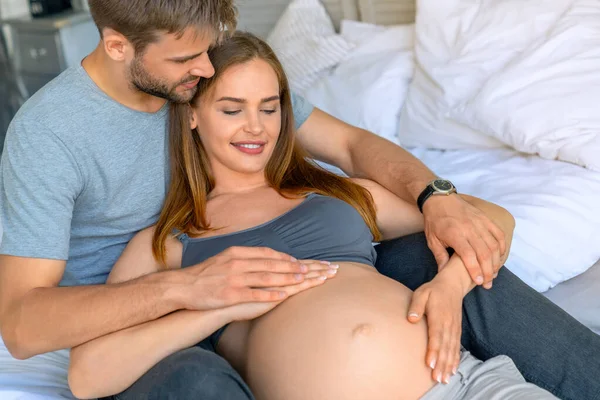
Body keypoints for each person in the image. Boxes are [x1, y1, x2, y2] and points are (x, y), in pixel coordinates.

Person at [0, 1, 597, 399]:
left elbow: (352, 144)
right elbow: (33, 333)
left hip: (456, 380)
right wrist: (199, 296)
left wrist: (439, 201)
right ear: (118, 46)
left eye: (268, 108)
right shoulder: (56, 138)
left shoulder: (313, 184)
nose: (205, 69)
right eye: (192, 66)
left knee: (446, 251)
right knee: (194, 382)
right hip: (151, 317)